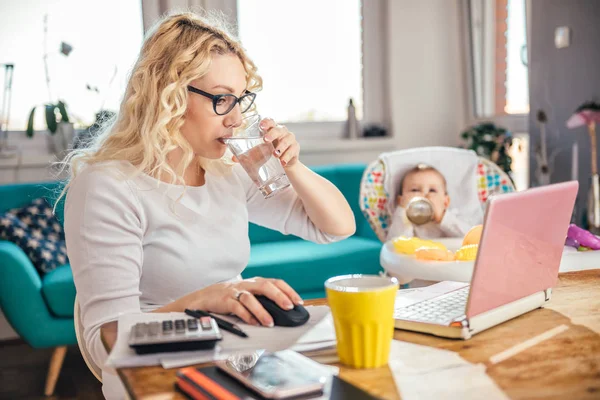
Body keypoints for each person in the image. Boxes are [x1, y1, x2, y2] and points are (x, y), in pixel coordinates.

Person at [61, 11, 355, 398]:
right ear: (168, 94)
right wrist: (204, 301)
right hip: (156, 378)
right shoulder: (107, 187)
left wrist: (293, 167)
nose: (236, 119)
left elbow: (335, 227)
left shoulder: (227, 172)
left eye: (240, 99)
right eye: (221, 99)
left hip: (234, 364)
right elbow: (109, 339)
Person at [386, 164, 473, 240]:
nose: (424, 195)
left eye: (432, 190)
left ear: (446, 202)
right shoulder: (403, 221)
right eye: (415, 190)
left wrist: (442, 218)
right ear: (400, 200)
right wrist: (403, 211)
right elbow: (394, 244)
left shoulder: (453, 217)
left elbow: (471, 239)